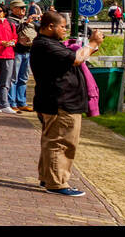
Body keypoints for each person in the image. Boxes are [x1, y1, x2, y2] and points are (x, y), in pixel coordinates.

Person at [31, 10, 104, 195]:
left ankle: (47, 177)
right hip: (60, 102)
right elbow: (77, 59)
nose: (66, 30)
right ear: (50, 27)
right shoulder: (46, 45)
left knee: (51, 141)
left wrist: (89, 46)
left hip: (56, 100)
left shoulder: (49, 43)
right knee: (61, 142)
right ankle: (57, 183)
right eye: (63, 27)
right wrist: (93, 43)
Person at [8, 0, 39, 113]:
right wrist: (26, 23)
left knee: (23, 78)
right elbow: (13, 31)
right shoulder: (10, 21)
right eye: (21, 8)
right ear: (14, 9)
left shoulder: (26, 20)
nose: (24, 10)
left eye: (24, 7)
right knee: (13, 78)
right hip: (16, 52)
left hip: (27, 51)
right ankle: (12, 103)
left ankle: (22, 102)